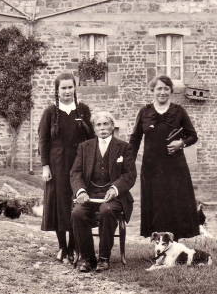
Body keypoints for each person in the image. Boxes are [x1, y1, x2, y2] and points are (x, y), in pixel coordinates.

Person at [129, 75, 200, 240]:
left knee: (176, 203)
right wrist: (128, 163)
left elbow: (193, 136)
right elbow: (135, 139)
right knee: (156, 205)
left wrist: (180, 143)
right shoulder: (144, 112)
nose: (162, 92)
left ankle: (175, 242)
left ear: (171, 91)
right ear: (152, 90)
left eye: (166, 89)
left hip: (175, 167)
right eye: (159, 89)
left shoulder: (179, 111)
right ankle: (159, 245)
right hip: (152, 167)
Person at [38, 72, 94, 263]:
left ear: (75, 89)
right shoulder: (50, 112)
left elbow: (91, 138)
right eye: (63, 88)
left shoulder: (83, 110)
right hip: (57, 165)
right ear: (57, 90)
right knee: (59, 206)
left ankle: (73, 247)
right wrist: (45, 166)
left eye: (70, 87)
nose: (67, 91)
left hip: (79, 164)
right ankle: (63, 247)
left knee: (75, 204)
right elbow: (43, 141)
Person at [70, 111, 136, 273]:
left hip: (113, 197)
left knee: (107, 211)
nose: (102, 128)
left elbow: (129, 175)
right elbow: (75, 172)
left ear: (113, 127)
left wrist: (115, 188)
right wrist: (80, 191)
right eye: (98, 125)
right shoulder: (84, 147)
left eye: (106, 124)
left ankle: (104, 258)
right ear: (94, 129)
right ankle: (88, 258)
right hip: (89, 196)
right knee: (77, 213)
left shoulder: (124, 147)